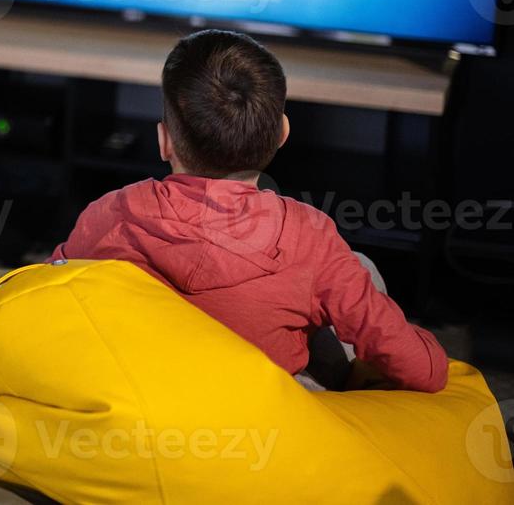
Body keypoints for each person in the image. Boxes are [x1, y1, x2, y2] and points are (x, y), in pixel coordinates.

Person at [50, 29, 448, 393]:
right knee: (359, 269)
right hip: (266, 409)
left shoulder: (109, 214)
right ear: (282, 135)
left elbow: (44, 298)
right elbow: (424, 373)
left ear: (164, 141)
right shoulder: (310, 236)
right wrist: (426, 347)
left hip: (147, 387)